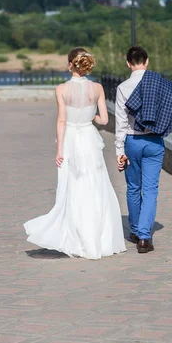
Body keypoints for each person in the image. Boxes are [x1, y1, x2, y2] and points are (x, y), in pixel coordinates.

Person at [24, 48, 127, 260]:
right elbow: (105, 120)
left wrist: (59, 149)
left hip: (71, 138)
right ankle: (100, 238)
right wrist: (91, 118)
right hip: (89, 137)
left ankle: (75, 237)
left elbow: (62, 120)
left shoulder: (62, 89)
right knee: (95, 184)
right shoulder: (97, 88)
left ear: (71, 64)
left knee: (72, 186)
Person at [115, 46, 172, 254]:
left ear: (128, 63)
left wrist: (119, 151)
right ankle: (144, 237)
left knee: (133, 187)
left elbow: (121, 123)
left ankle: (134, 231)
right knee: (150, 190)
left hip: (132, 141)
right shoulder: (161, 85)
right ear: (147, 61)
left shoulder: (123, 87)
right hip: (154, 142)